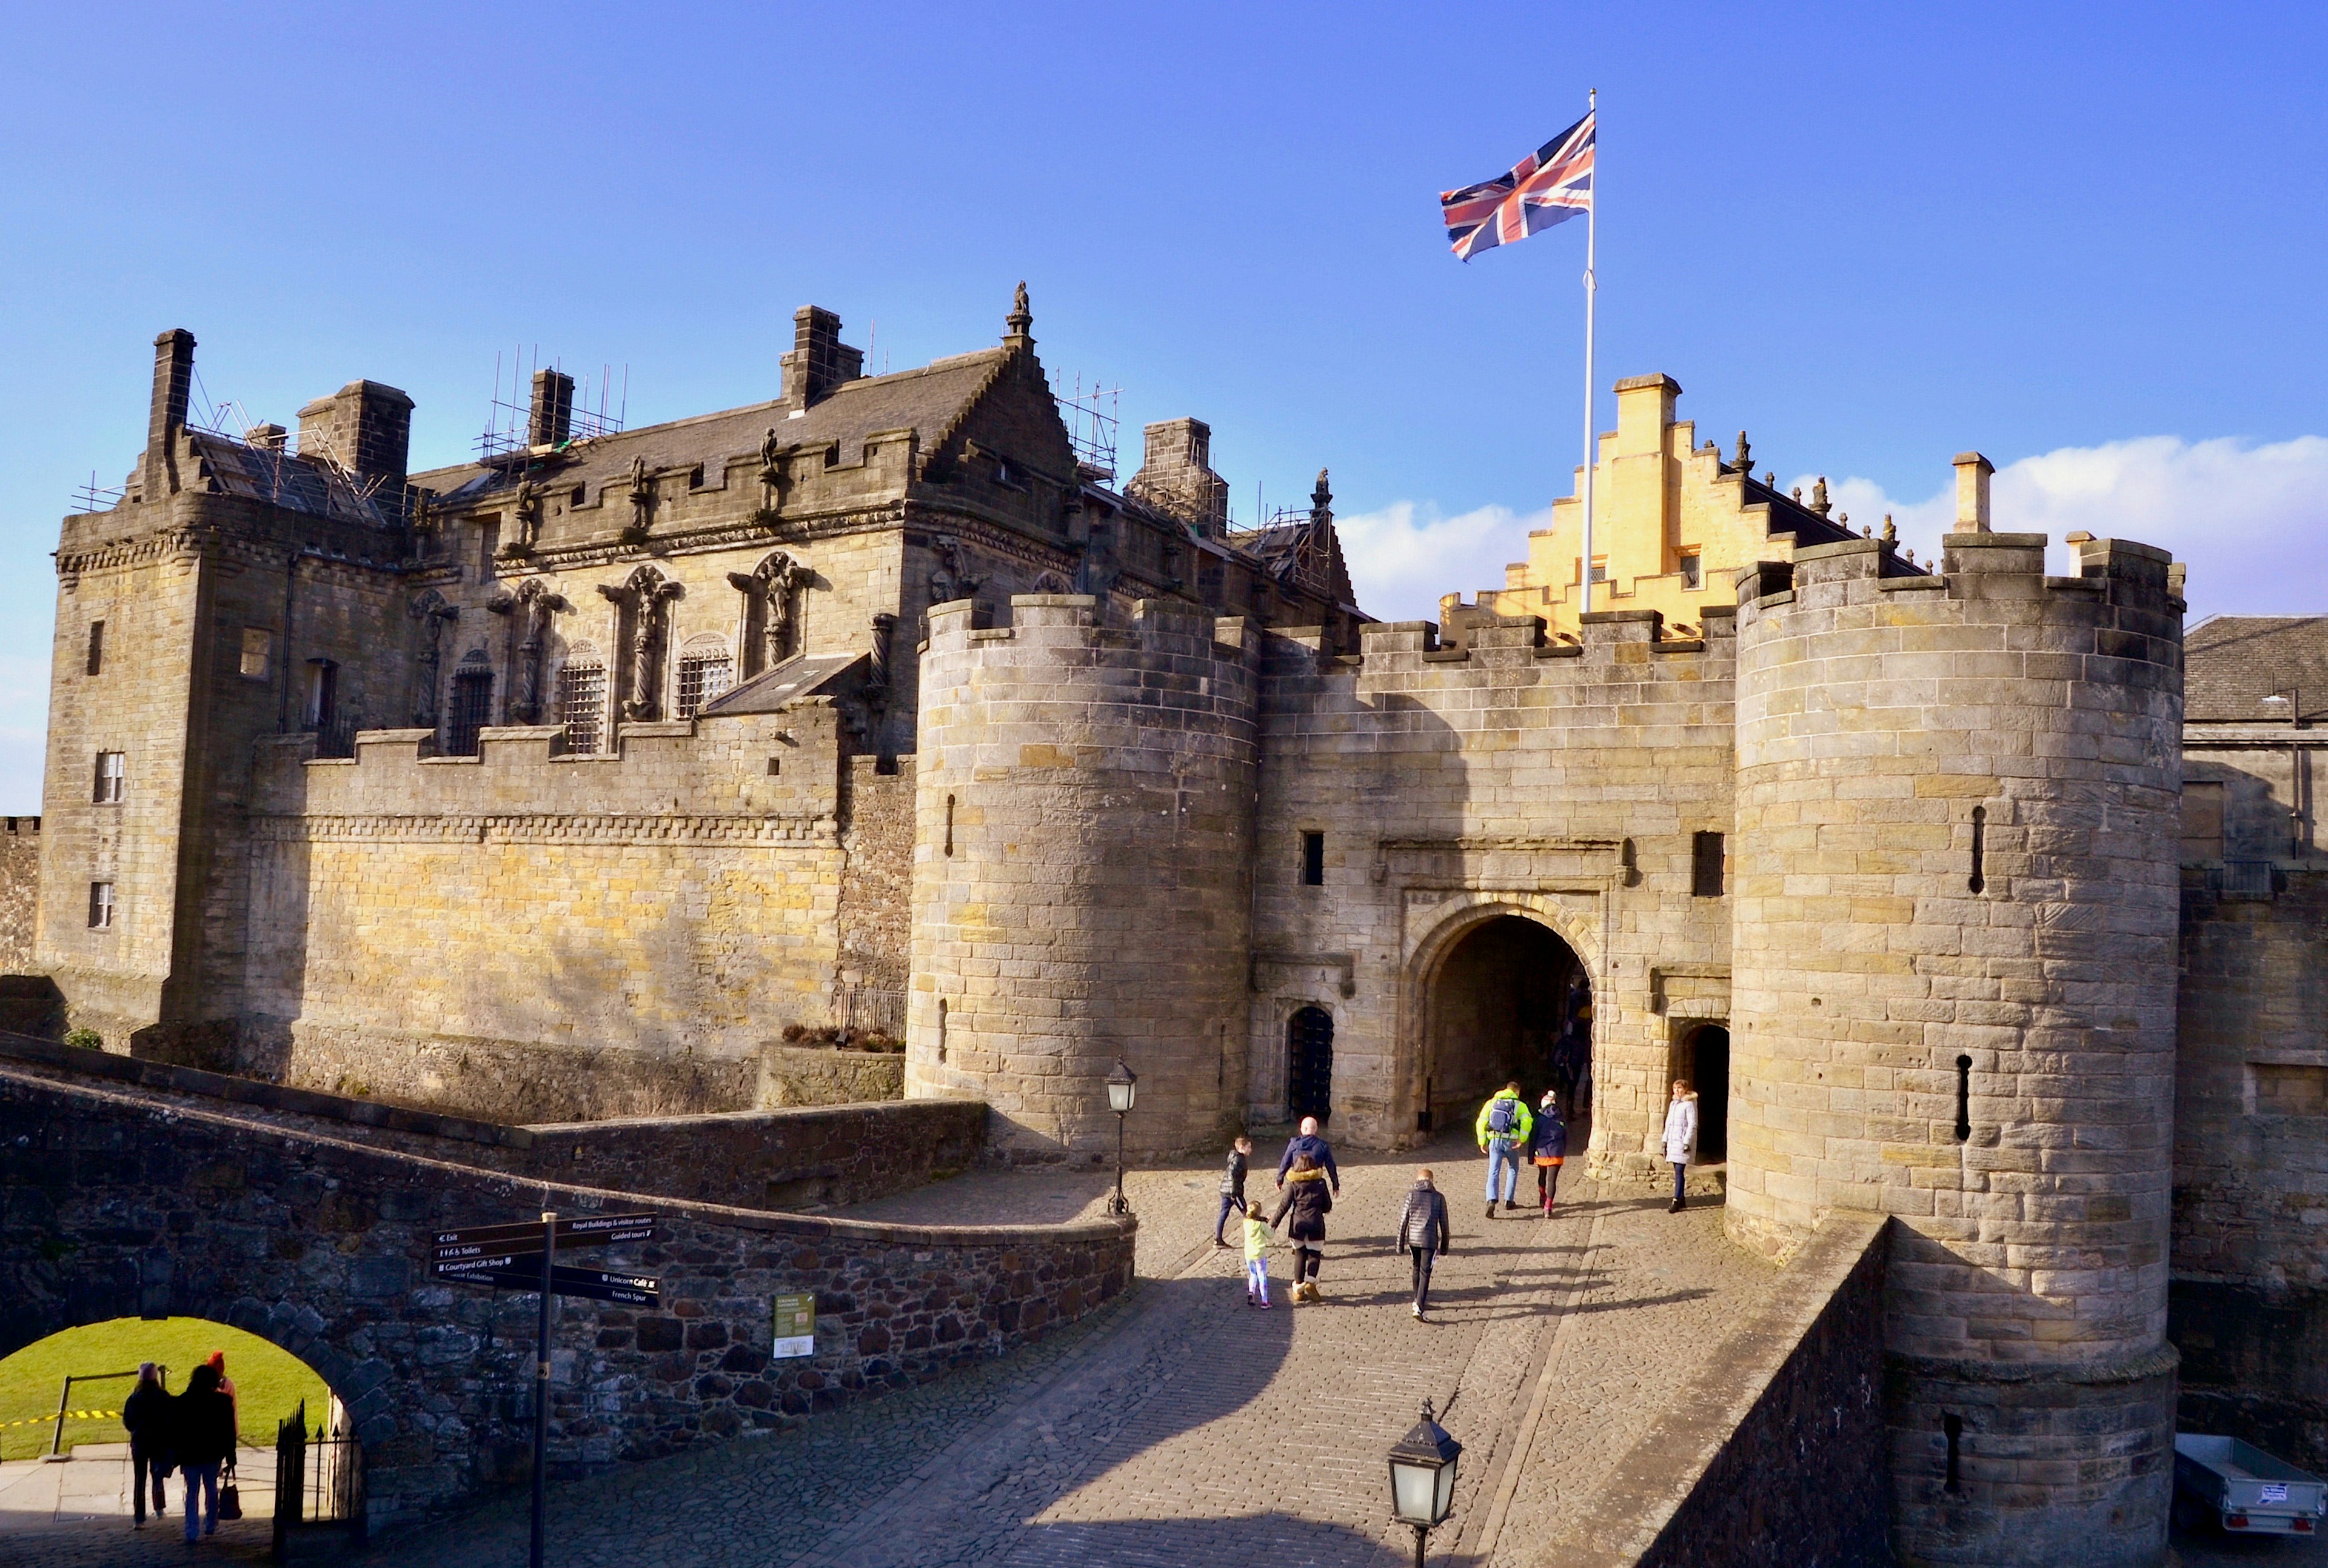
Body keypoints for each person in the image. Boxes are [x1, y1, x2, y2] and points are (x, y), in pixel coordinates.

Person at [170, 1362, 235, 1543]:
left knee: (192, 1491)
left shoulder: (183, 1402)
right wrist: (231, 1455)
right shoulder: (222, 1403)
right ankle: (211, 1523)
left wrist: (175, 1454)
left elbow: (175, 1431)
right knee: (211, 1488)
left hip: (190, 1454)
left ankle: (191, 1530)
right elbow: (229, 1432)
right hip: (212, 1453)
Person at [1271, 1152, 1334, 1302]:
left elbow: (1284, 1206)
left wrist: (1273, 1224)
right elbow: (1327, 1206)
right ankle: (1310, 1282)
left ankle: (1298, 1290)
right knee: (1314, 1255)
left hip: (1298, 1225)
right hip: (1316, 1224)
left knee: (1300, 1255)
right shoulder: (1321, 1183)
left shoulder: (1293, 1185)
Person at [1395, 1167, 1451, 1320]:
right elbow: (1444, 1225)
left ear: (1417, 1180)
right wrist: (1444, 1247)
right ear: (1432, 1181)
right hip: (1429, 1240)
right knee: (1425, 1272)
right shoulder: (1439, 1198)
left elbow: (1403, 1221)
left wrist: (1400, 1244)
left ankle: (1417, 1299)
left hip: (1413, 1239)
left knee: (1416, 1267)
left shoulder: (1411, 1195)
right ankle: (1419, 1306)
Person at [1476, 1081, 1533, 1218]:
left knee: (1493, 1171)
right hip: (1511, 1142)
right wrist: (1522, 1139)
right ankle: (1509, 1200)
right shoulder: (1519, 1105)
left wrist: (1482, 1141)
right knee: (1513, 1168)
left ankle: (1491, 1200)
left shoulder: (1491, 1103)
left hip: (1495, 1140)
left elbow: (1481, 1122)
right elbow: (1527, 1121)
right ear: (1517, 1092)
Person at [122, 1363, 170, 1528]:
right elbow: (169, 1419)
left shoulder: (134, 1398)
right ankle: (159, 1508)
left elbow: (128, 1422)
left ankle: (139, 1518)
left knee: (139, 1479)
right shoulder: (163, 1396)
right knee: (158, 1475)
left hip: (140, 1442)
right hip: (158, 1442)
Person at [1275, 1116, 1341, 1196]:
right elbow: (1331, 1166)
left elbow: (1285, 1162)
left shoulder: (1294, 1144)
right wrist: (1335, 1186)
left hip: (1297, 1184)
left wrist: (1279, 1180)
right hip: (1315, 1184)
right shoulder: (1322, 1145)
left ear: (1304, 1129)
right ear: (1316, 1129)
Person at [1531, 1090, 1570, 1214]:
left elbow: (1534, 1137)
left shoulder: (1539, 1119)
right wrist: (1562, 1150)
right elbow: (1565, 1137)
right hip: (1557, 1152)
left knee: (1542, 1175)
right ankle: (1548, 1206)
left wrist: (1531, 1155)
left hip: (1542, 1151)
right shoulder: (1561, 1118)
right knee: (1552, 1181)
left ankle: (1542, 1197)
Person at [1664, 1078, 1699, 1213]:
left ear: (1685, 1089)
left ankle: (1676, 1201)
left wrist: (1687, 1142)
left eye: (1680, 1089)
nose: (1677, 1091)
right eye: (1675, 1089)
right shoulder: (1674, 1104)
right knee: (1678, 1171)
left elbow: (1692, 1124)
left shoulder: (1689, 1104)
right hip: (1673, 1142)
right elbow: (1669, 1123)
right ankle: (1682, 1198)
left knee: (1679, 1172)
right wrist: (1665, 1139)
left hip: (1682, 1143)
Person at [1214, 1135, 1253, 1247]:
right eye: (1249, 1147)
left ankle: (1218, 1239)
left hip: (1226, 1191)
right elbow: (1232, 1174)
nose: (1251, 1150)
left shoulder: (1236, 1157)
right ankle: (1254, 1238)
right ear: (1241, 1148)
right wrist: (1233, 1193)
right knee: (1247, 1212)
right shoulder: (1238, 1159)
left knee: (1224, 1213)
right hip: (1233, 1193)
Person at [1242, 1188, 1276, 1307]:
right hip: (1260, 1255)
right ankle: (1265, 1301)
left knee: (1253, 1274)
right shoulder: (1262, 1225)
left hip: (1248, 1254)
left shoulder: (1246, 1223)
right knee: (1262, 1276)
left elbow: (1254, 1220)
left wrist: (1265, 1219)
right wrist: (1271, 1227)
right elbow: (1270, 1235)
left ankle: (1251, 1292)